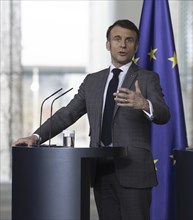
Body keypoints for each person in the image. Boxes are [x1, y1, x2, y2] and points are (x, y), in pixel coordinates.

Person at [13, 19, 170, 220]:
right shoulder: (93, 81)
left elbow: (164, 114)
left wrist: (145, 104)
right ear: (108, 44)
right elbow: (67, 114)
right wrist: (36, 137)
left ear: (136, 46)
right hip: (100, 170)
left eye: (129, 40)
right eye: (117, 39)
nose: (123, 45)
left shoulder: (148, 78)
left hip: (134, 170)